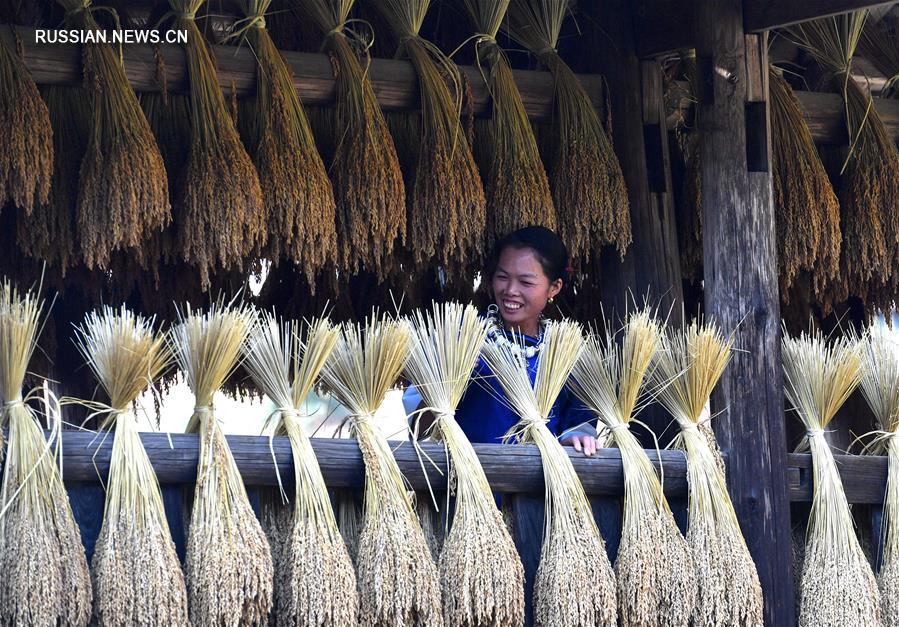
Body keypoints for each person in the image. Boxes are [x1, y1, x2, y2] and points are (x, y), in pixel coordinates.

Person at [403, 226, 599, 455]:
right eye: (503, 277)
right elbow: (417, 428)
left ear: (553, 288)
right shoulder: (460, 338)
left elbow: (578, 425)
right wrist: (448, 382)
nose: (510, 290)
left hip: (543, 486)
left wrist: (578, 438)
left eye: (526, 282)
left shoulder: (567, 351)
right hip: (468, 482)